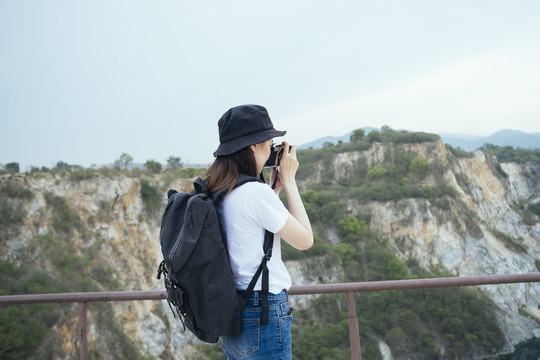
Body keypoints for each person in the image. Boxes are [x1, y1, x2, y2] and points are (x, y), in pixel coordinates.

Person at [204, 104, 313, 359]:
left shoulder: (220, 188)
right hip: (263, 309)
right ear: (253, 145)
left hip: (233, 309)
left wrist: (273, 192)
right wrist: (290, 183)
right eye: (269, 140)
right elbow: (306, 240)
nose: (271, 147)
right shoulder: (255, 193)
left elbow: (248, 229)